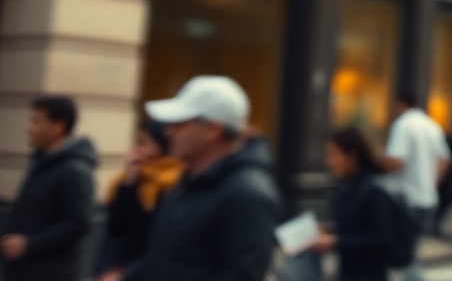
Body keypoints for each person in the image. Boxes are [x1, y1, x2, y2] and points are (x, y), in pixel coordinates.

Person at [123, 75, 282, 281]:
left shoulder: (248, 194)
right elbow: (166, 259)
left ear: (212, 130)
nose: (169, 132)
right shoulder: (189, 180)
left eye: (180, 124)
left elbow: (241, 275)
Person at [0, 95, 96, 281]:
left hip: (50, 273)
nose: (29, 128)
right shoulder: (43, 163)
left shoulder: (74, 170)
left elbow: (79, 223)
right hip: (23, 271)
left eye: (36, 121)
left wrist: (29, 244)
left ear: (58, 126)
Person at [310, 127, 402, 281]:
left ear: (351, 156)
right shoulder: (347, 187)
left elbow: (379, 239)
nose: (328, 162)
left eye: (333, 154)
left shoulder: (373, 190)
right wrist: (328, 231)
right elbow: (354, 225)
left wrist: (335, 241)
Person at [96, 122, 185, 281]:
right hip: (121, 265)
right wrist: (129, 182)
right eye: (138, 142)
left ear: (162, 144)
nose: (138, 148)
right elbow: (117, 226)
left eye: (145, 142)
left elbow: (153, 232)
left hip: (151, 269)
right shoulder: (130, 177)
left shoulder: (177, 179)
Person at [383, 91, 451, 281]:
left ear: (400, 104)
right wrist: (432, 183)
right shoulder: (432, 125)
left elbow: (397, 161)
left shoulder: (403, 125)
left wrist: (376, 162)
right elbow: (445, 159)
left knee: (401, 254)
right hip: (427, 198)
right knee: (407, 250)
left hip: (405, 199)